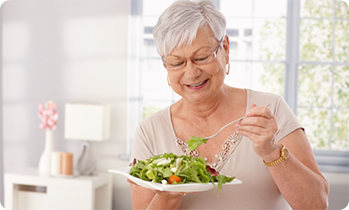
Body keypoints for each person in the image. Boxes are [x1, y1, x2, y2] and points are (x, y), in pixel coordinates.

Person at [129, 0, 329, 209]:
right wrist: (168, 194)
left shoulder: (270, 109)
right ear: (165, 65)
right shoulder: (149, 131)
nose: (191, 73)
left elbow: (317, 204)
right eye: (177, 63)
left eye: (202, 57)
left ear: (225, 47)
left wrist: (272, 152)